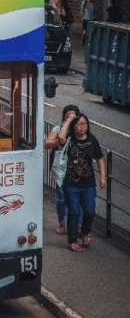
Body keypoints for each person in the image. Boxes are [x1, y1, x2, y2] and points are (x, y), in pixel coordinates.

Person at [58, 111, 106, 252]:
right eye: (79, 124)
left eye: (85, 124)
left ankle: (85, 232)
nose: (82, 127)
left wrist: (102, 176)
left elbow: (99, 158)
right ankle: (72, 241)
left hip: (88, 184)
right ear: (73, 126)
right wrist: (68, 120)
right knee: (74, 213)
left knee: (90, 212)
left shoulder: (92, 139)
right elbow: (60, 137)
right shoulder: (68, 139)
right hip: (71, 184)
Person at [44, 104, 82, 235]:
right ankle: (62, 224)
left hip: (77, 169)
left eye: (72, 116)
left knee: (78, 198)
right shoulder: (58, 129)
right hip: (62, 169)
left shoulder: (81, 130)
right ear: (63, 117)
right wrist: (60, 142)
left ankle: (79, 226)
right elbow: (47, 144)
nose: (69, 119)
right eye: (67, 117)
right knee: (61, 198)